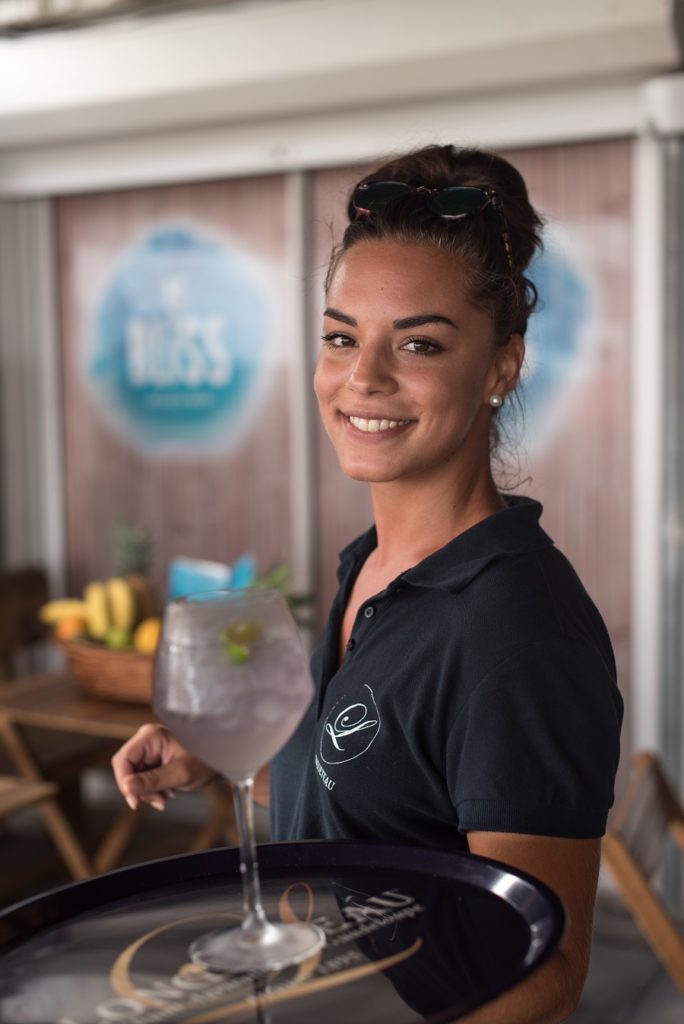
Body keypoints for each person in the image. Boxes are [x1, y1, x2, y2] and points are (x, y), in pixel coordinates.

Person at [112, 144, 623, 1023]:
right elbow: (379, 790)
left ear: (501, 366)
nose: (363, 379)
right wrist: (222, 756)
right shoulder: (373, 567)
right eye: (342, 336)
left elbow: (547, 973)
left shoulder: (516, 631)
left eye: (418, 343)